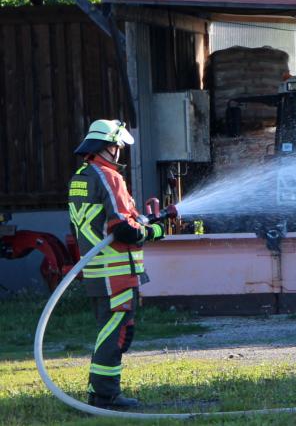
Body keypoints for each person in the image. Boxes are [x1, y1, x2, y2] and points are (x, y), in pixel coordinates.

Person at [68, 119, 165, 409]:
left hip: (99, 272)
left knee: (115, 330)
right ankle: (105, 396)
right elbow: (122, 230)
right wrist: (154, 232)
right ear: (108, 147)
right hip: (117, 273)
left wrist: (144, 220)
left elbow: (105, 222)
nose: (119, 152)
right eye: (118, 146)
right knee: (116, 332)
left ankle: (102, 393)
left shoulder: (81, 176)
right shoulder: (109, 177)